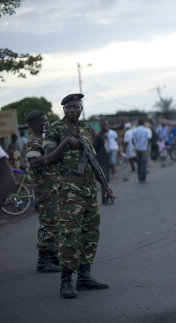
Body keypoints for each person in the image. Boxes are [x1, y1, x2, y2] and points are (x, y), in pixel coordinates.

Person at [43, 93, 112, 298]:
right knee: (69, 236)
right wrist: (65, 143)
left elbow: (93, 160)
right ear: (63, 109)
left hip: (89, 190)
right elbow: (48, 159)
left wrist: (105, 186)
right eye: (68, 107)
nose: (72, 110)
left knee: (90, 234)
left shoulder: (86, 129)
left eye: (76, 107)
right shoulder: (55, 129)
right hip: (69, 192)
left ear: (81, 108)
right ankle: (66, 282)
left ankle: (84, 277)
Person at [24, 110, 61, 273]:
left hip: (51, 187)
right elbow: (35, 163)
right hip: (43, 189)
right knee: (48, 224)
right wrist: (50, 155)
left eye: (47, 120)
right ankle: (43, 261)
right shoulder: (34, 141)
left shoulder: (45, 138)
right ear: (32, 125)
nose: (46, 123)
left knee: (54, 222)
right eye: (42, 121)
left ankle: (53, 256)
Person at [93, 121, 112, 205]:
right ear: (103, 126)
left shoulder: (105, 136)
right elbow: (94, 150)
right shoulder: (98, 137)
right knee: (104, 181)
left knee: (107, 180)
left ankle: (107, 198)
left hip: (106, 160)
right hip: (101, 161)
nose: (108, 126)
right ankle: (104, 200)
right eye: (107, 125)